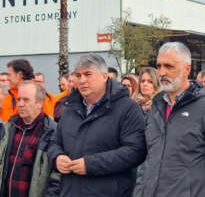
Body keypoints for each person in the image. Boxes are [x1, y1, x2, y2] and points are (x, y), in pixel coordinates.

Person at [140, 42, 205, 197]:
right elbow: (150, 157)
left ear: (187, 69)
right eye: (159, 66)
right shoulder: (156, 105)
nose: (161, 72)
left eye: (169, 66)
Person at [48, 54, 147, 197]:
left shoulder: (127, 108)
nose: (82, 80)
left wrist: (90, 165)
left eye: (88, 74)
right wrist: (57, 157)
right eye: (78, 75)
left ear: (104, 76)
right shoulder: (69, 108)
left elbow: (135, 151)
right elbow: (54, 142)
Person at [0, 81, 59, 197]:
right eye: (19, 99)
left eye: (26, 100)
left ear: (40, 103)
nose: (20, 104)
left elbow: (56, 178)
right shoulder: (8, 129)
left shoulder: (52, 132)